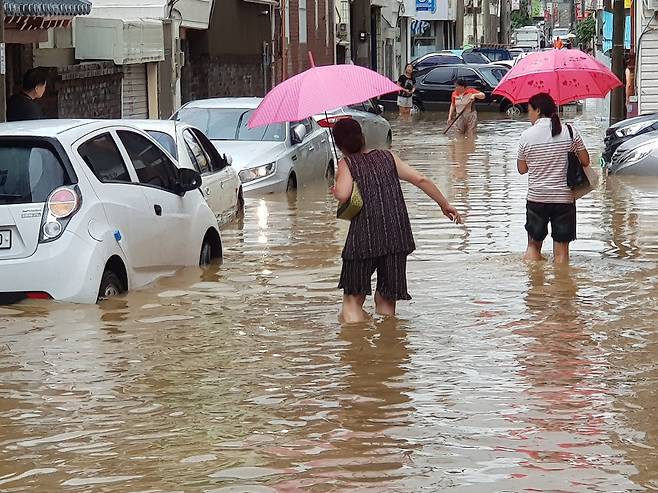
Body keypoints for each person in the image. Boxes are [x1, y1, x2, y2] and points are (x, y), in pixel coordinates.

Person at [331, 118, 463, 323]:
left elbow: (343, 194)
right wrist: (444, 204)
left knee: (352, 301)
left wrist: (337, 182)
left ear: (339, 146)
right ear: (363, 136)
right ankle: (388, 347)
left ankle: (358, 348)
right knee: (386, 300)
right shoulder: (388, 157)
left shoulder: (346, 164)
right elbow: (421, 179)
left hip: (364, 239)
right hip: (396, 236)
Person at [517, 92, 590, 264]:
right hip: (564, 199)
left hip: (536, 198)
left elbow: (521, 169)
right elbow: (586, 161)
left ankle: (535, 288)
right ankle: (563, 288)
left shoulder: (526, 136)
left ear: (538, 110)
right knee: (562, 252)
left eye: (530, 111)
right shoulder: (570, 132)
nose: (529, 115)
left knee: (533, 247)